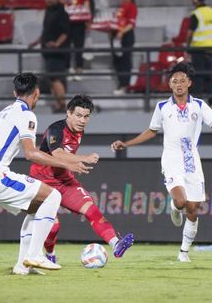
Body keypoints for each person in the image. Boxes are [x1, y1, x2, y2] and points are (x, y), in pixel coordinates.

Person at [0, 73, 91, 275]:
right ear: (37, 93)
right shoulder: (27, 115)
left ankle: (22, 265)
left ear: (14, 93)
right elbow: (31, 153)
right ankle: (35, 254)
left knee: (36, 207)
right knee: (53, 196)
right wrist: (66, 163)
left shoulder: (5, 111)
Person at [111, 62, 212, 262]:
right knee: (181, 201)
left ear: (189, 83)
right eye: (175, 81)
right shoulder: (162, 107)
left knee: (193, 209)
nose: (179, 84)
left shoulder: (199, 105)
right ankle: (175, 206)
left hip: (192, 160)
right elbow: (151, 130)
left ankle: (183, 252)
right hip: (171, 159)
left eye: (183, 80)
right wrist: (127, 144)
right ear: (170, 84)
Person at [29, 94, 134, 264]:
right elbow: (58, 153)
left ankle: (116, 244)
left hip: (64, 181)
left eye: (86, 116)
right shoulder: (55, 129)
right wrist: (82, 158)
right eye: (78, 115)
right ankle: (49, 254)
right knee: (53, 226)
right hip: (42, 183)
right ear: (68, 113)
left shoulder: (78, 130)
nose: (82, 120)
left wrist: (74, 163)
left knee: (92, 211)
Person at [28, 0, 70, 113]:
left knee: (55, 78)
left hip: (58, 52)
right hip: (47, 51)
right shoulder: (48, 12)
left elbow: (65, 32)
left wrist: (57, 44)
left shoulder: (62, 13)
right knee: (51, 79)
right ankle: (58, 104)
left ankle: (62, 104)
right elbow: (46, 31)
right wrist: (37, 41)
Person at [186, 0, 212, 109]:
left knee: (198, 77)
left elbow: (190, 33)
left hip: (198, 49)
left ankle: (197, 105)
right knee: (209, 77)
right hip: (211, 49)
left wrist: (187, 47)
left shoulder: (196, 14)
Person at [110, 0, 137, 95]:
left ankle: (125, 85)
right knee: (117, 61)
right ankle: (120, 83)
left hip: (126, 37)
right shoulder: (120, 7)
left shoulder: (132, 7)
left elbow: (131, 24)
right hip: (116, 37)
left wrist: (122, 31)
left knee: (125, 61)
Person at [64, 0, 91, 81]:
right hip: (66, 23)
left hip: (79, 24)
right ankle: (67, 68)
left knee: (79, 47)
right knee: (66, 46)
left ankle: (79, 69)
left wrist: (88, 20)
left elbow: (87, 6)